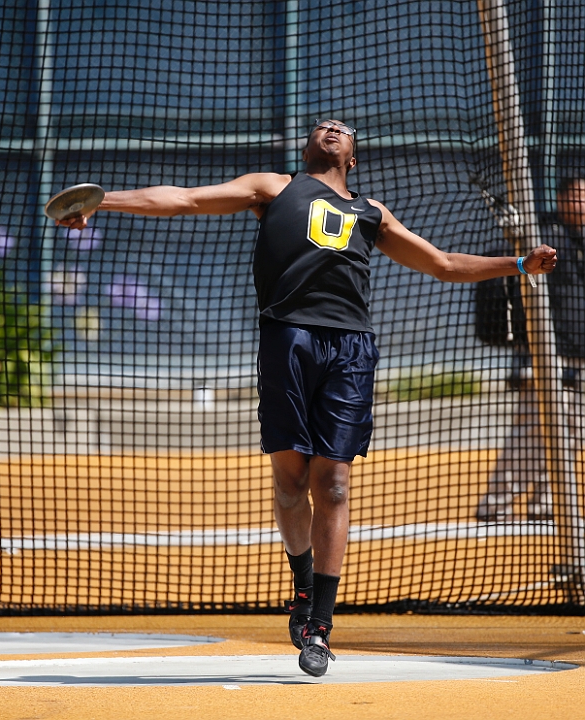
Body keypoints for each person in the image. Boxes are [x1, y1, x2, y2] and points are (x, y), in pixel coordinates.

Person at [55, 118, 557, 676]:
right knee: (291, 482)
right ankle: (301, 580)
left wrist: (517, 265)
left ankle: (319, 622)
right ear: (307, 147)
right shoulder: (274, 187)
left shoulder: (372, 212)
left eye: (342, 129)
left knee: (334, 481)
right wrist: (105, 201)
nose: (333, 127)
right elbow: (183, 198)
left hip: (350, 347)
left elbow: (440, 264)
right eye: (322, 127)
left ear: (354, 158)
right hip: (288, 337)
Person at [476, 176, 585, 522]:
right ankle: (495, 505)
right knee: (534, 432)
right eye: (577, 196)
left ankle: (544, 504)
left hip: (580, 354)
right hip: (546, 351)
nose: (583, 203)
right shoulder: (543, 237)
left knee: (569, 434)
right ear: (562, 198)